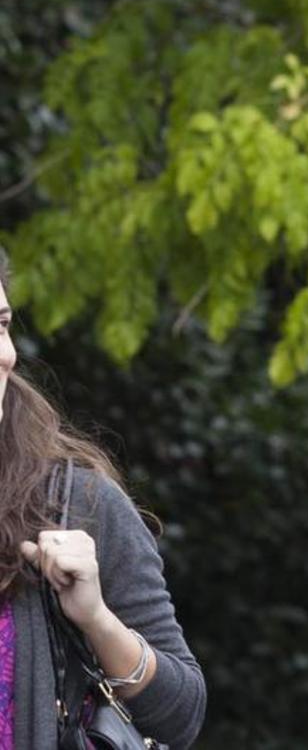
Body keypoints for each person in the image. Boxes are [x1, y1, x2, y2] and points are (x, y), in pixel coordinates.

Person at [0, 250, 206, 749]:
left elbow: (181, 716)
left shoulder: (76, 502)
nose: (3, 353)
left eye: (1, 325)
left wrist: (94, 618)